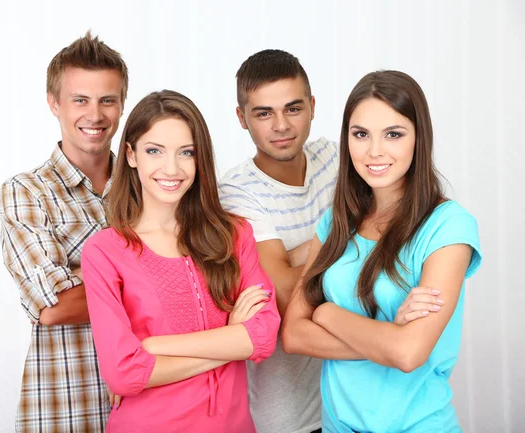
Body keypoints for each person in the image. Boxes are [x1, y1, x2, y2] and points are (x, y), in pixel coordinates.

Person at [282, 70, 482, 433]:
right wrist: (387, 335)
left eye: (393, 134)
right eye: (361, 135)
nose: (375, 151)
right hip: (337, 426)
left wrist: (326, 314)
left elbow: (408, 355)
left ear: (419, 138)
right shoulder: (334, 223)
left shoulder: (449, 226)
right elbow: (294, 335)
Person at [80, 90, 280, 433]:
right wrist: (232, 338)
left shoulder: (235, 234)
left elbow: (262, 336)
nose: (171, 168)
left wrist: (155, 348)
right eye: (154, 151)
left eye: (186, 152)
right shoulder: (104, 252)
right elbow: (124, 373)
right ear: (131, 155)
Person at [0, 32, 128, 432]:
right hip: (68, 408)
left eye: (107, 100)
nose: (95, 114)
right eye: (80, 100)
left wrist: (95, 284)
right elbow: (55, 307)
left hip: (151, 406)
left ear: (122, 104)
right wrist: (154, 278)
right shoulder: (26, 192)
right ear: (54, 103)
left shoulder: (151, 186)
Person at [219, 49, 338, 433]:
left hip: (353, 398)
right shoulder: (236, 192)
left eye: (293, 108)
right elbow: (285, 297)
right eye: (263, 113)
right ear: (242, 118)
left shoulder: (335, 158)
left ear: (313, 106)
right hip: (288, 416)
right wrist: (345, 235)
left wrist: (291, 259)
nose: (281, 125)